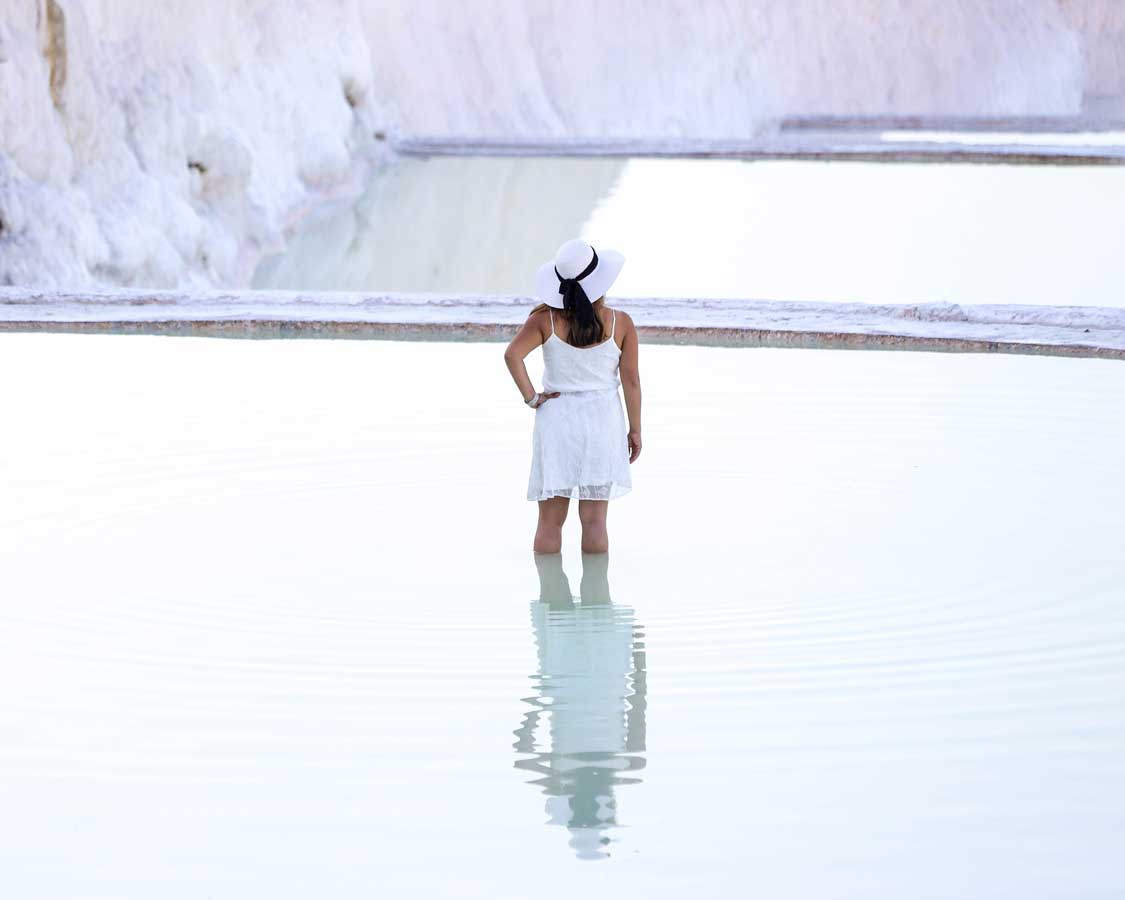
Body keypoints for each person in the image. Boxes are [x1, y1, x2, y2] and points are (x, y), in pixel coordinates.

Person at [504, 239, 642, 554]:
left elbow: (513, 356)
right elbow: (631, 380)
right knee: (595, 522)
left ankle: (551, 598)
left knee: (549, 523)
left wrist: (532, 399)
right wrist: (635, 430)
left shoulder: (544, 320)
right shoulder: (621, 323)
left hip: (557, 422)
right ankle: (596, 602)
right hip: (602, 423)